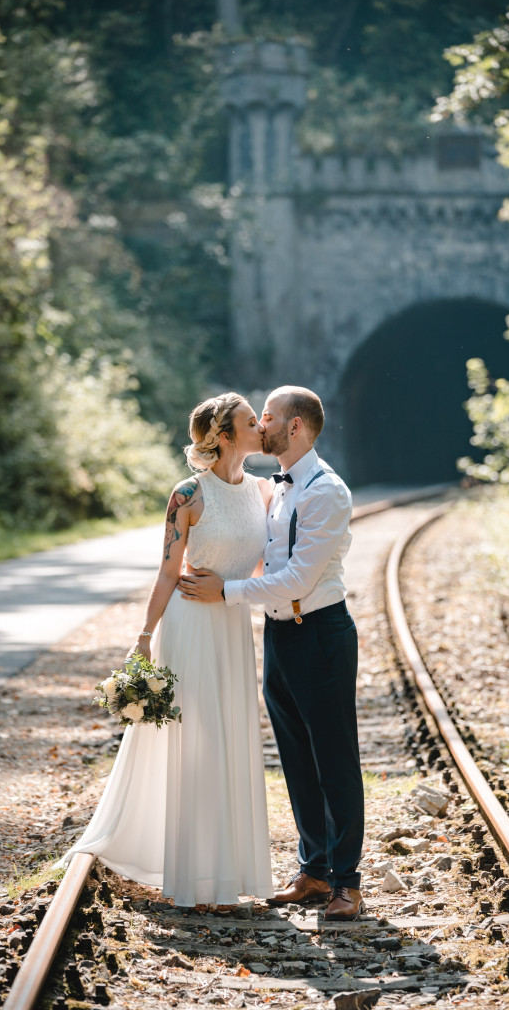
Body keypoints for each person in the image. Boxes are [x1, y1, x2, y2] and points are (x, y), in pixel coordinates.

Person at [61, 393, 274, 909]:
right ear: (225, 436)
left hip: (231, 625)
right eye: (251, 421)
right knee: (196, 741)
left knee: (230, 738)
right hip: (189, 627)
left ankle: (229, 871)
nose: (260, 427)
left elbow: (266, 568)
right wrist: (142, 637)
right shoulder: (187, 495)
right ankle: (194, 874)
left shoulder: (265, 492)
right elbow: (166, 571)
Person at [178, 386, 365, 921]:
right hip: (280, 635)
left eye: (270, 416)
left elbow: (298, 578)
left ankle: (347, 882)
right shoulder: (276, 489)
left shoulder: (325, 491)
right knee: (297, 760)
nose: (261, 423)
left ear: (296, 427)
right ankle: (313, 870)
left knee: (335, 760)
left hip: (320, 633)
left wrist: (227, 592)